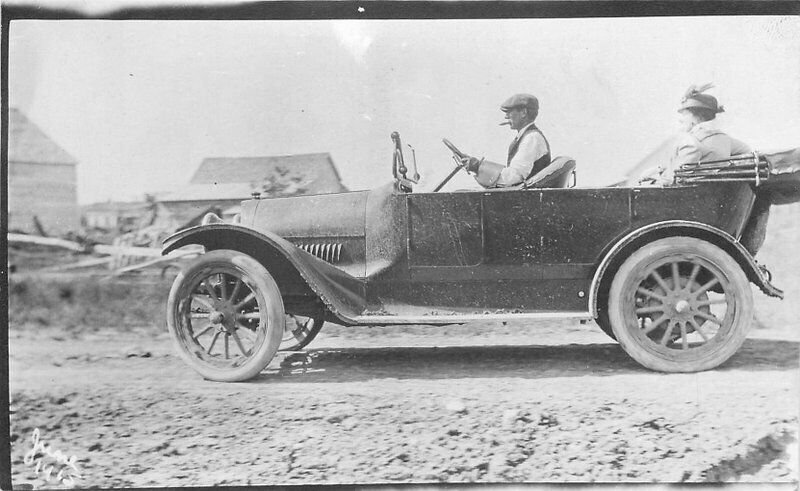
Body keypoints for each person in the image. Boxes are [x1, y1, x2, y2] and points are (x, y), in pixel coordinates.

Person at [653, 83, 750, 185]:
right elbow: (746, 151)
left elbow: (675, 178)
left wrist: (654, 177)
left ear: (696, 117)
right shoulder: (725, 139)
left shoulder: (690, 142)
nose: (680, 120)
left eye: (685, 114)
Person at [460, 93, 551, 188]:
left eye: (509, 112)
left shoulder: (532, 138)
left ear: (524, 113)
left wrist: (478, 167)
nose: (506, 117)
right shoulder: (528, 136)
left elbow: (514, 176)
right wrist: (478, 167)